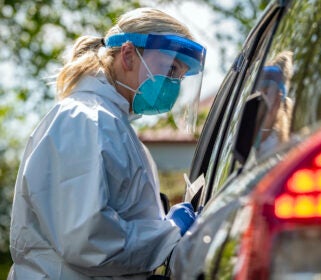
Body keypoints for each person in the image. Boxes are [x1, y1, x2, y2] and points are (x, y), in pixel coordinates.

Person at [8, 7, 206, 280]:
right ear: (127, 55)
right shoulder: (86, 120)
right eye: (170, 69)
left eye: (179, 77)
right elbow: (87, 241)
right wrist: (168, 232)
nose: (173, 85)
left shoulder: (110, 124)